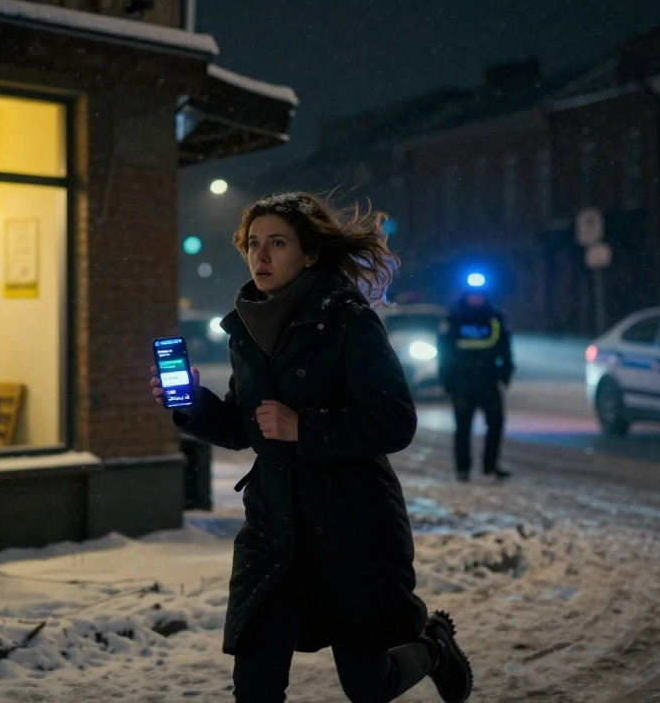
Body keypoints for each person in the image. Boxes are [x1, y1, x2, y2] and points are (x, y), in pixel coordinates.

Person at [150, 192, 473, 703]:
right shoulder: (247, 328)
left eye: (277, 243)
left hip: (351, 524)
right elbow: (245, 428)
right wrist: (192, 405)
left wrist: (306, 427)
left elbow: (395, 421)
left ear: (310, 254)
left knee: (368, 684)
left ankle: (432, 646)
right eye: (254, 244)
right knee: (255, 686)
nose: (261, 255)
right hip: (274, 530)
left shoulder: (349, 319)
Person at [437, 285, 514, 482]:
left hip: (488, 380)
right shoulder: (454, 318)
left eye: (479, 295)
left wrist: (506, 372)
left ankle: (490, 466)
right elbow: (444, 353)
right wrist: (447, 379)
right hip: (463, 381)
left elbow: (505, 348)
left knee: (496, 422)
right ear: (467, 295)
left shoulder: (495, 318)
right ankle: (463, 469)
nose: (476, 298)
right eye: (473, 294)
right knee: (463, 427)